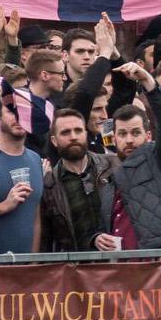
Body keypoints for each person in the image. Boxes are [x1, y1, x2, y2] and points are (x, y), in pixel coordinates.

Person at [107, 61, 161, 250]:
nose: (129, 140)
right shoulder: (105, 170)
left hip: (156, 267)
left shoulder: (160, 159)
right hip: (119, 269)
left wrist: (148, 83)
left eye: (135, 133)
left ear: (148, 135)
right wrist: (96, 237)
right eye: (122, 134)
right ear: (113, 138)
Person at [40, 105, 118, 252]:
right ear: (54, 140)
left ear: (85, 134)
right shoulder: (49, 185)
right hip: (76, 270)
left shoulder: (114, 165)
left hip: (119, 264)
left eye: (78, 130)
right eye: (65, 132)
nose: (73, 137)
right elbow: (46, 239)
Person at [0, 82, 46, 255]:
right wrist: (4, 206)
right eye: (11, 111)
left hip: (25, 273)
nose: (18, 117)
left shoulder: (35, 159)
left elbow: (35, 218)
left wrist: (33, 261)